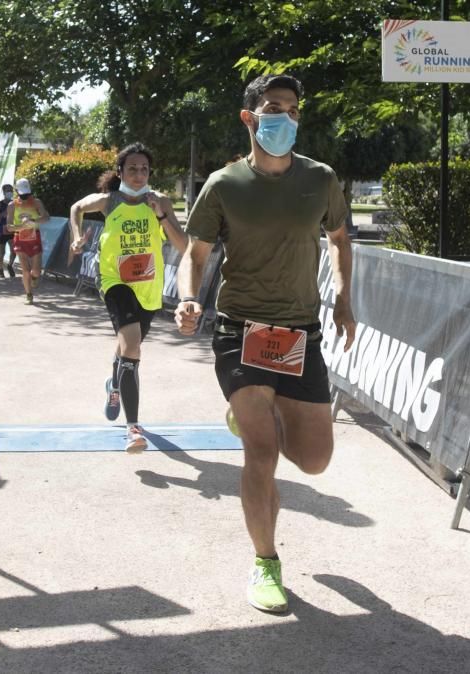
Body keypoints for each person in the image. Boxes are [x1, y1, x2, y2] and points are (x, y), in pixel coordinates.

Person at [174, 74, 356, 613]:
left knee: (315, 459)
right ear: (250, 117)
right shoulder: (224, 184)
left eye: (294, 109)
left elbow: (341, 240)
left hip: (301, 333)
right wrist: (188, 298)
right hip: (241, 332)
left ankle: (256, 416)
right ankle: (265, 562)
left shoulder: (321, 180)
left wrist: (344, 297)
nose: (286, 117)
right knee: (262, 452)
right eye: (275, 107)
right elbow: (196, 253)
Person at [69, 143, 187, 452]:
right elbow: (76, 208)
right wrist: (75, 235)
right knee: (132, 345)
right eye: (132, 169)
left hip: (148, 285)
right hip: (114, 279)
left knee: (128, 348)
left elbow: (183, 244)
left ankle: (114, 384)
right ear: (120, 172)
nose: (138, 174)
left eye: (144, 169)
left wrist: (161, 216)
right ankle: (133, 428)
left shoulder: (159, 200)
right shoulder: (109, 201)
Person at [5, 178, 49, 304]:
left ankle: (34, 278)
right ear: (17, 192)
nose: (25, 196)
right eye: (22, 194)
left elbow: (46, 217)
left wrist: (33, 222)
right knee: (25, 269)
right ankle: (29, 294)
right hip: (20, 238)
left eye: (27, 194)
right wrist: (21, 227)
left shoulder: (36, 202)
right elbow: (8, 226)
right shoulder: (12, 205)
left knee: (35, 271)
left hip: (35, 237)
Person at [0, 183, 17, 278]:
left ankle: (10, 265)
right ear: (3, 192)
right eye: (8, 191)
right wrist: (2, 214)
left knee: (14, 251)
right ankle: (0, 269)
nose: (10, 192)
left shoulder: (14, 203)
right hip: (1, 231)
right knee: (2, 252)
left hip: (11, 230)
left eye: (11, 190)